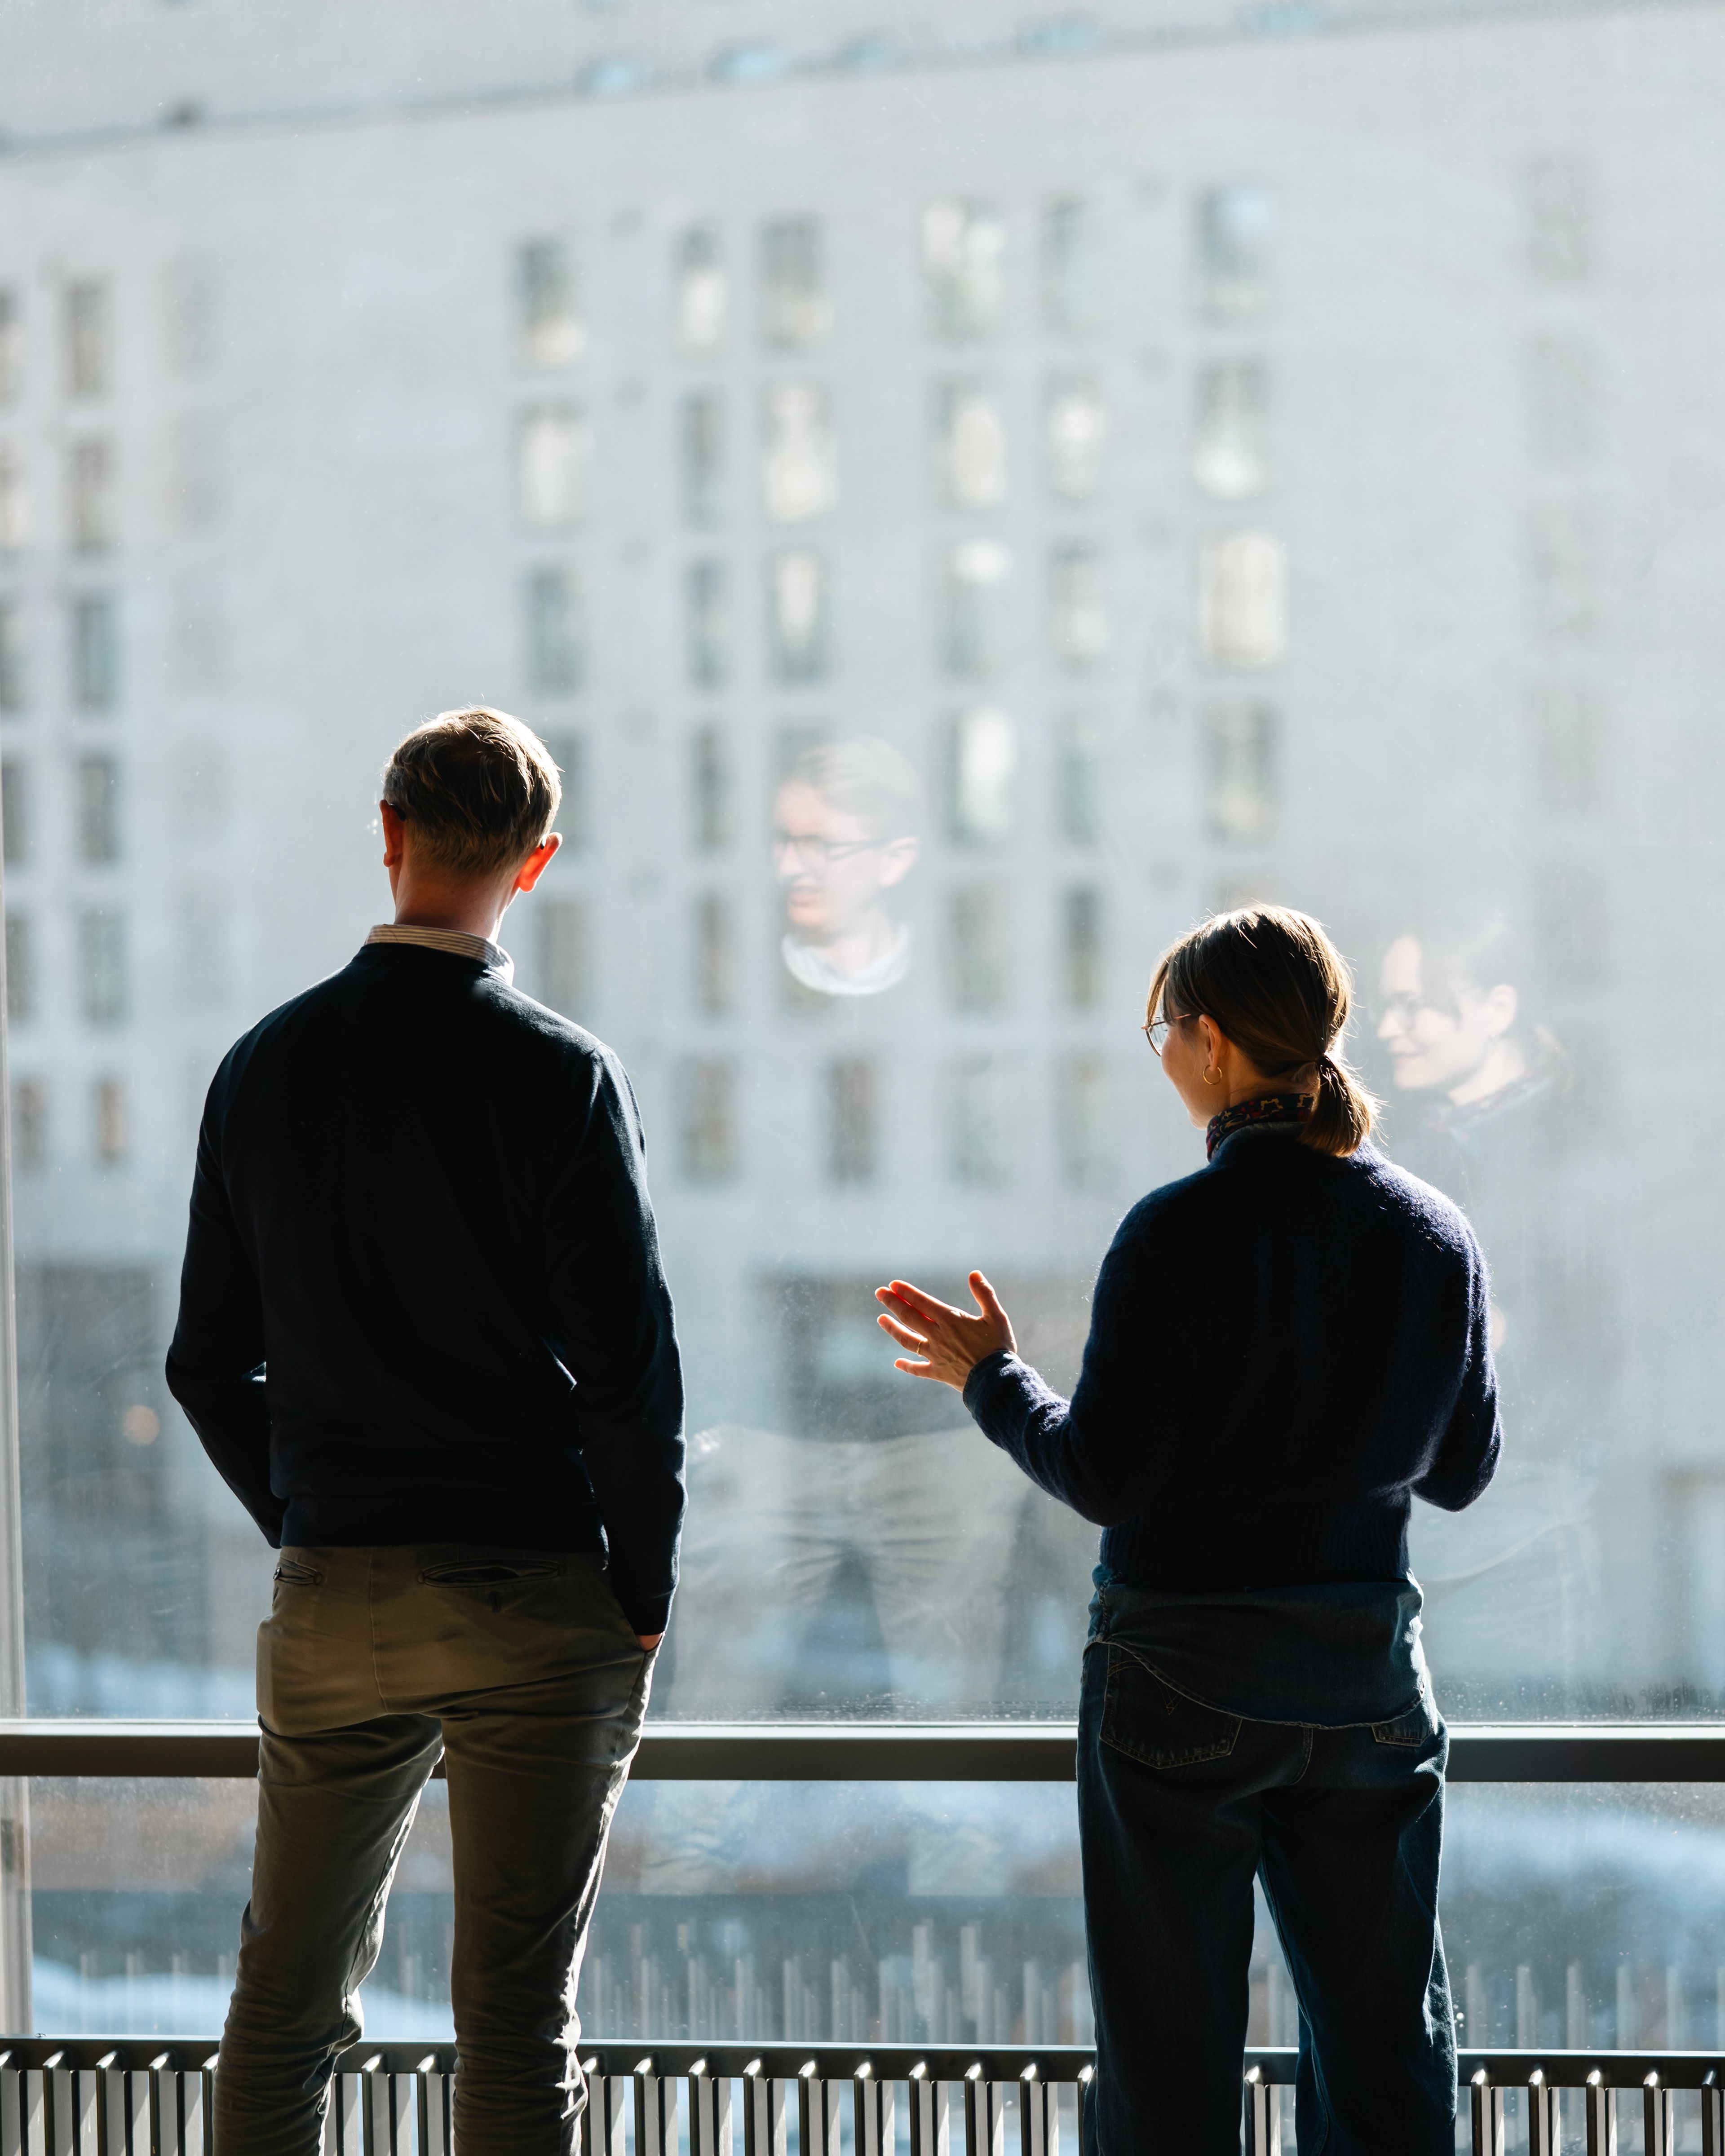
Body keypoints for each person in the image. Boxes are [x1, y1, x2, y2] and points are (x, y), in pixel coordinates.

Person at [875, 906, 1501, 2155]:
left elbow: (1104, 1475)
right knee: (1386, 2054)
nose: (1161, 1049)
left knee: (1168, 2059)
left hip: (1181, 1678)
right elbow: (1462, 1477)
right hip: (1363, 1677)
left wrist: (995, 1380)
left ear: (1212, 1044)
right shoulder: (1436, 1236)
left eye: (1164, 1028)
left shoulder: (1176, 1232)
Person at [165, 707, 684, 2156]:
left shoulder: (264, 1068)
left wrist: (315, 1526)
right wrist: (640, 1586)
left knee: (283, 2003)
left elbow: (207, 1363)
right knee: (517, 2020)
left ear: (387, 834)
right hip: (533, 1592)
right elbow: (630, 1375)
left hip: (338, 1594)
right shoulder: (562, 1076)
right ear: (538, 863)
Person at [1375, 913, 1596, 1696]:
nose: (1393, 1028)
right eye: (1387, 1006)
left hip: (1516, 1531)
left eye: (1416, 1004)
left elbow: (1588, 1358)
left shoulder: (1570, 1159)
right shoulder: (1422, 1144)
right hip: (1433, 1531)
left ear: (1497, 1010)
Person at [774, 736, 920, 996]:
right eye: (781, 840)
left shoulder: (955, 986)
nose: (787, 867)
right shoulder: (733, 982)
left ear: (894, 862)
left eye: (818, 845)